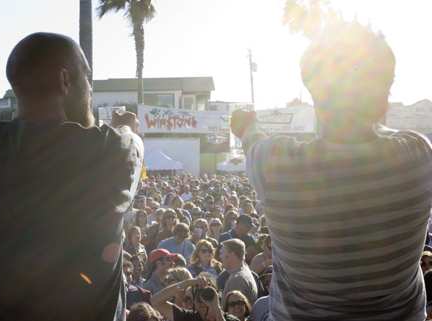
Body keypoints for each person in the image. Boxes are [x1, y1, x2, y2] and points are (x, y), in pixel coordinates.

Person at [231, 21, 432, 321]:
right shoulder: (417, 155)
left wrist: (247, 126)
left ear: (313, 89)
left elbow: (251, 137)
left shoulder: (276, 163)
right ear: (385, 92)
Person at [0, 33, 144, 321]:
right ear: (65, 80)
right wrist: (126, 127)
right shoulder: (111, 150)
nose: (90, 90)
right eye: (87, 79)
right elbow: (134, 144)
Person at [151, 277, 239, 321]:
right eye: (197, 298)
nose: (202, 302)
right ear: (194, 302)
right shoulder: (188, 317)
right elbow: (155, 301)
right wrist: (188, 282)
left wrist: (216, 308)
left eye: (206, 296)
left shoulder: (231, 319)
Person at [220, 239, 258, 307]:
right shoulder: (244, 271)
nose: (220, 256)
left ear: (232, 255)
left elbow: (235, 313)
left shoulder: (237, 279)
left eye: (222, 253)